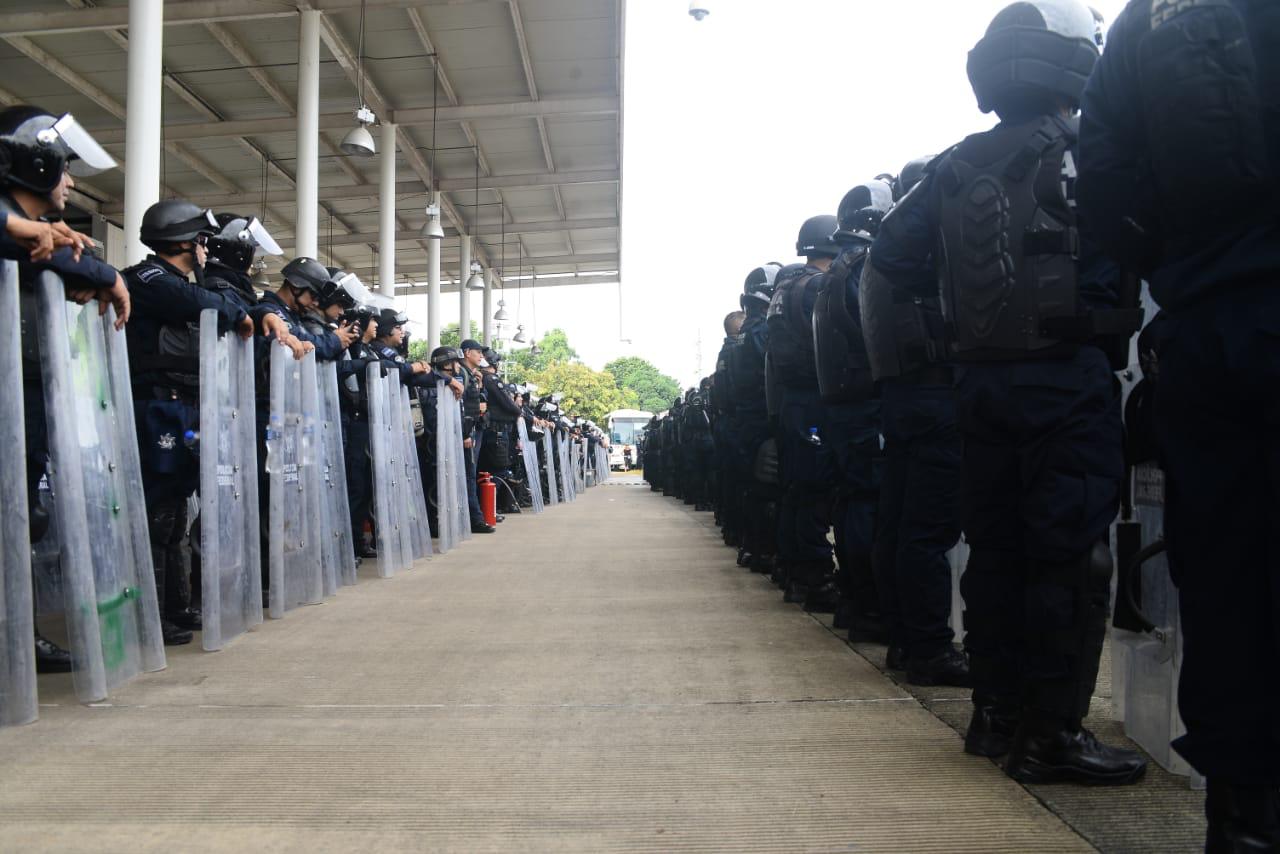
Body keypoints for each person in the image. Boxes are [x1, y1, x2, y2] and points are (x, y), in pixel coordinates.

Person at [865, 0, 1145, 785]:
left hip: (977, 387)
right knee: (1067, 558)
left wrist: (952, 320)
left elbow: (889, 257)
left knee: (995, 553)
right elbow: (1152, 224)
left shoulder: (954, 163)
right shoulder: (1090, 147)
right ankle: (1051, 736)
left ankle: (994, 716)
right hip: (1068, 379)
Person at [1077, 1, 1280, 845]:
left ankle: (1243, 820)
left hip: (1210, 322)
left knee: (1231, 581)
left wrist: (1180, 267)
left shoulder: (1142, 23)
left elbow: (1109, 187)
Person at [0, 105, 127, 672]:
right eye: (65, 167)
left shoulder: (41, 236)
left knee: (23, 515)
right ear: (38, 163)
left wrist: (101, 274)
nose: (72, 182)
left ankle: (16, 639)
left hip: (24, 393)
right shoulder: (14, 228)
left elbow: (81, 261)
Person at [854, 166, 969, 685]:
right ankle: (927, 647)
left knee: (898, 527)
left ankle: (906, 639)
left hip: (902, 396)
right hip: (936, 393)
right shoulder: (923, 244)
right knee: (925, 532)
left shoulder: (881, 252)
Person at [122, 200, 251, 645]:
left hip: (181, 406)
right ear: (181, 241)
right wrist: (233, 308)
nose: (204, 251)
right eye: (199, 241)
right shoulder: (150, 278)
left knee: (177, 511)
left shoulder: (177, 281)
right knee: (158, 511)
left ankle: (177, 606)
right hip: (156, 405)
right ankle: (151, 614)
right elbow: (205, 304)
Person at [766, 216, 841, 609]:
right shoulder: (816, 288)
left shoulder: (785, 290)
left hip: (793, 402)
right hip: (815, 397)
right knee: (814, 492)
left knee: (797, 490)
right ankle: (815, 579)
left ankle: (797, 571)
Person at [456, 339, 494, 533]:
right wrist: (464, 432)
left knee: (471, 474)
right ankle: (474, 519)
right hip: (467, 431)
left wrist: (479, 385)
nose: (481, 356)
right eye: (478, 352)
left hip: (473, 429)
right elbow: (461, 406)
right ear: (467, 352)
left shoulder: (471, 374)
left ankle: (474, 517)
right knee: (468, 475)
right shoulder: (460, 373)